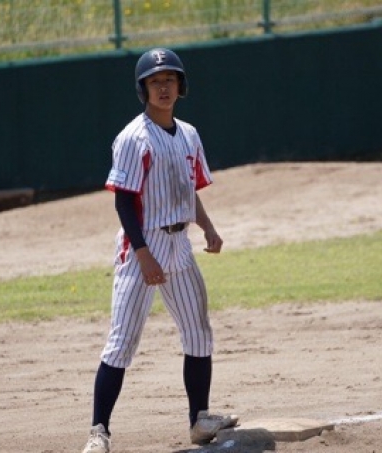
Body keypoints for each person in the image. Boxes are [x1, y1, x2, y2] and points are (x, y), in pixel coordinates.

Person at [81, 48, 238, 453]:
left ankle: (199, 420)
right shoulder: (134, 138)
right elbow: (123, 202)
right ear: (144, 89)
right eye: (155, 81)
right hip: (142, 246)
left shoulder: (188, 134)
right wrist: (144, 254)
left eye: (169, 79)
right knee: (122, 342)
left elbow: (188, 191)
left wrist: (208, 227)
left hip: (179, 246)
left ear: (180, 85)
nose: (163, 87)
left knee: (198, 332)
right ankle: (99, 432)